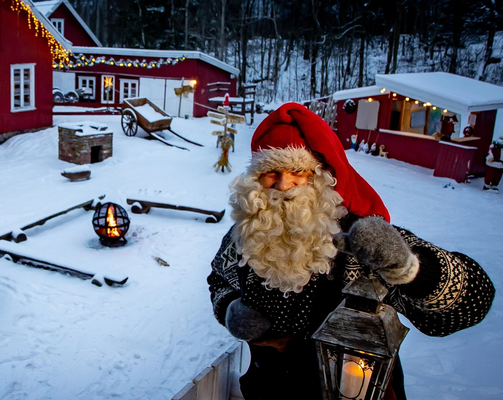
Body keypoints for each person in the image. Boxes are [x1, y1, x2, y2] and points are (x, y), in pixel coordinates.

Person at [207, 103, 495, 400]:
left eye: (297, 171)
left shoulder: (363, 239)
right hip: (268, 390)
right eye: (271, 172)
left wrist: (411, 269)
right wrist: (229, 307)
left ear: (321, 175)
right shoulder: (245, 234)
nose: (283, 185)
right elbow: (219, 278)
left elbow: (472, 303)